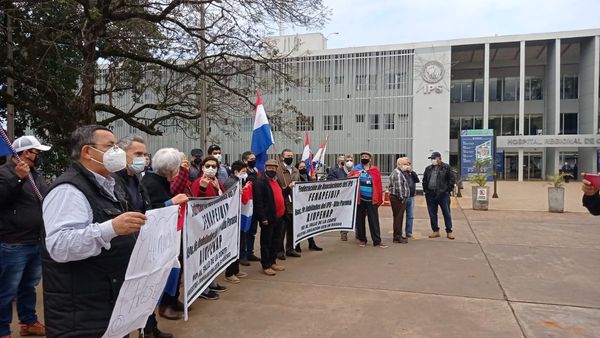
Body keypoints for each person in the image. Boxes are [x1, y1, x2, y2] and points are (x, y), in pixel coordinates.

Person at [41, 125, 148, 337]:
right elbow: (59, 246)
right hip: (82, 314)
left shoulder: (111, 183)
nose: (116, 151)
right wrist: (111, 228)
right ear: (88, 152)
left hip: (108, 300)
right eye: (110, 146)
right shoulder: (68, 190)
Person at [113, 136, 176, 338]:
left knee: (146, 291)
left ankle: (149, 329)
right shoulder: (114, 181)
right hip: (124, 247)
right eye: (138, 154)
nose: (144, 159)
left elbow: (147, 210)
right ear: (123, 155)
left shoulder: (137, 180)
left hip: (143, 243)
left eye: (145, 154)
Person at [0, 136, 50, 338]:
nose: (39, 157)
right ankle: (2, 328)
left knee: (28, 285)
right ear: (26, 152)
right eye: (37, 152)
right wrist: (17, 179)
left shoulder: (35, 175)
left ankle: (28, 321)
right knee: (7, 289)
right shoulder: (5, 174)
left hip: (34, 240)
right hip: (13, 242)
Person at [142, 148, 194, 318]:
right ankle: (163, 306)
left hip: (171, 233)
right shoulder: (151, 184)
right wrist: (170, 203)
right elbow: (148, 212)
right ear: (171, 170)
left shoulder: (159, 181)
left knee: (176, 266)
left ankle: (172, 299)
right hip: (157, 240)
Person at [190, 156, 229, 298]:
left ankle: (210, 281)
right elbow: (197, 201)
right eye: (208, 165)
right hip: (202, 227)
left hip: (214, 226)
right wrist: (203, 187)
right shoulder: (198, 182)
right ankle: (203, 289)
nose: (211, 168)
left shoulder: (217, 182)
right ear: (202, 167)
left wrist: (219, 188)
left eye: (214, 166)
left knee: (211, 256)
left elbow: (223, 197)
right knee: (203, 257)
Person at [252, 159, 286, 276]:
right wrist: (262, 217)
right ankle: (266, 265)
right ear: (265, 168)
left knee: (276, 241)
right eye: (269, 168)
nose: (272, 170)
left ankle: (273, 261)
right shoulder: (260, 182)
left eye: (274, 168)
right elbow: (258, 202)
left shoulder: (276, 181)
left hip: (279, 216)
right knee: (266, 242)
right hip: (268, 218)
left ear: (276, 169)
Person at [348, 151, 388, 248]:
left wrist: (379, 197)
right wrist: (356, 174)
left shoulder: (375, 170)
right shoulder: (356, 169)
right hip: (360, 199)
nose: (364, 158)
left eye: (366, 156)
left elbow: (378, 185)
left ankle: (377, 241)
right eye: (362, 156)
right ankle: (362, 239)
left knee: (374, 220)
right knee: (360, 220)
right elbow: (349, 179)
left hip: (372, 199)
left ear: (370, 159)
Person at [222, 161, 251, 283]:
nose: (245, 174)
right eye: (243, 171)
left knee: (239, 243)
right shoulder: (230, 182)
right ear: (235, 172)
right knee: (233, 245)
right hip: (231, 218)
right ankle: (230, 273)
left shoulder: (239, 181)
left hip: (238, 216)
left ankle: (236, 269)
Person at [422, 151, 456, 240]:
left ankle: (449, 231)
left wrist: (447, 190)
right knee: (432, 214)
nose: (432, 160)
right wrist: (426, 191)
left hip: (443, 195)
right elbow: (424, 180)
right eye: (431, 159)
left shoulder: (446, 167)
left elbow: (452, 180)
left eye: (434, 158)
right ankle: (435, 231)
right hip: (430, 194)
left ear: (439, 159)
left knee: (446, 213)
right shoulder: (428, 169)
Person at [275, 149, 301, 258]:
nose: (290, 157)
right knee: (281, 229)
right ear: (282, 157)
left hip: (294, 203)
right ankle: (279, 251)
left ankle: (290, 249)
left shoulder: (296, 170)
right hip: (282, 202)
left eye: (291, 155)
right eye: (287, 155)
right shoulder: (278, 170)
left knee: (292, 228)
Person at [294, 161, 323, 252]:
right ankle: (296, 245)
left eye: (304, 166)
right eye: (301, 167)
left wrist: (314, 180)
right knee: (298, 226)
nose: (303, 168)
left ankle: (311, 243)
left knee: (309, 225)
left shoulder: (308, 176)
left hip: (308, 205)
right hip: (299, 205)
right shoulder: (297, 177)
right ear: (297, 168)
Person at [327, 154, 354, 241]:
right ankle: (344, 233)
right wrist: (341, 182)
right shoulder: (337, 171)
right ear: (344, 162)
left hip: (354, 198)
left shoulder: (357, 171)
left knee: (357, 215)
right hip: (342, 198)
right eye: (347, 160)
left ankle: (359, 233)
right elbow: (329, 180)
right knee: (344, 216)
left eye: (351, 160)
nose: (349, 162)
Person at [241, 151, 260, 265]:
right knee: (244, 231)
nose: (253, 160)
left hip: (255, 203)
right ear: (245, 161)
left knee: (252, 230)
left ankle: (250, 252)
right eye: (251, 159)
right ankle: (242, 255)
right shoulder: (243, 173)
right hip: (246, 205)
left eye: (254, 158)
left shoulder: (256, 171)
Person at [388, 157, 410, 244]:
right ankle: (397, 237)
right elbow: (399, 188)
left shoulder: (399, 172)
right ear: (399, 164)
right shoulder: (397, 174)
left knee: (398, 217)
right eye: (405, 164)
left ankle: (398, 235)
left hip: (397, 198)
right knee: (398, 218)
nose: (406, 166)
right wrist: (403, 198)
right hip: (398, 198)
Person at [402, 158, 420, 239]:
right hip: (403, 196)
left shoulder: (412, 173)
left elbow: (417, 180)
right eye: (405, 164)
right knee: (400, 215)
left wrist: (411, 172)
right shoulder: (400, 173)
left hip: (411, 196)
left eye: (408, 164)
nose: (407, 166)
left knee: (410, 215)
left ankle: (408, 232)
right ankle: (399, 231)